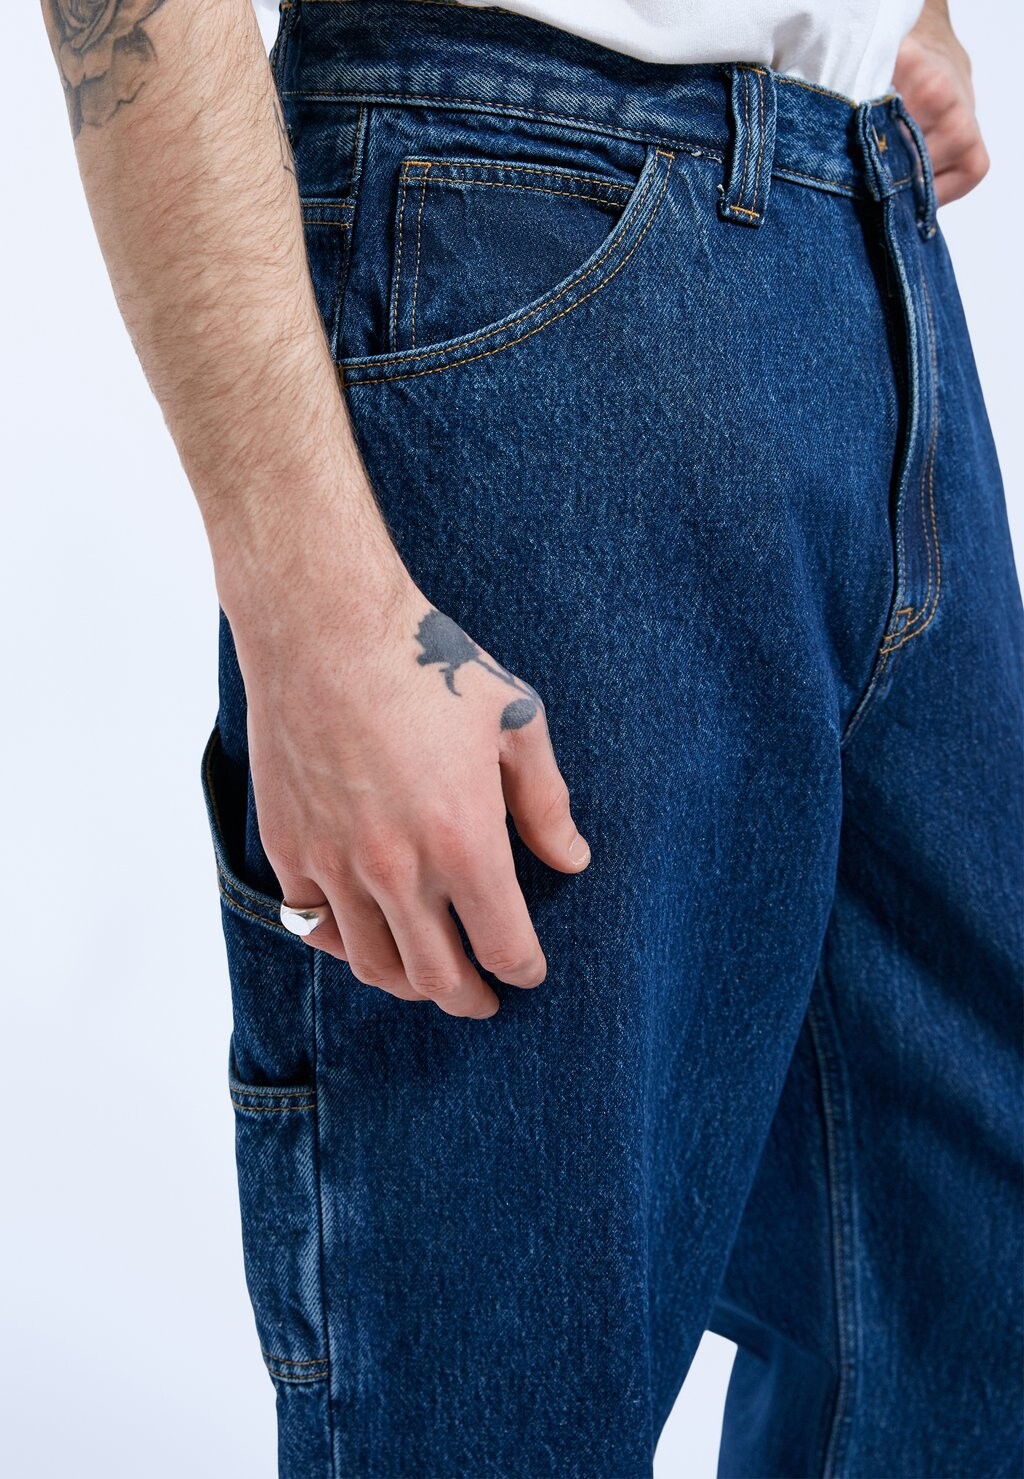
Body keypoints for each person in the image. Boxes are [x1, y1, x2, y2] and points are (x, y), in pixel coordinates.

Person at [42, 0, 1021, 1474]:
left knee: (964, 1310)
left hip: (869, 236)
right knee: (505, 1399)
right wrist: (317, 612)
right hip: (517, 232)